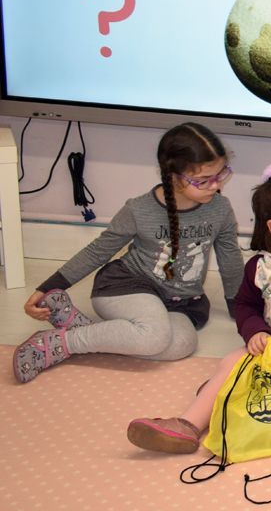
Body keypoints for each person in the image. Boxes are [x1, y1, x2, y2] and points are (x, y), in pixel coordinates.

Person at [126, 168, 271, 454]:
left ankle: (241, 407)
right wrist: (255, 332)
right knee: (231, 362)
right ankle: (188, 424)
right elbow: (246, 305)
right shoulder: (260, 267)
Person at [15, 122, 244, 383]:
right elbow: (98, 251)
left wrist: (240, 307)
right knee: (153, 337)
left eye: (220, 174)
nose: (215, 186)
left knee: (182, 345)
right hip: (127, 286)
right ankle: (62, 342)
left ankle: (89, 332)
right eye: (203, 180)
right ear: (172, 176)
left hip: (181, 301)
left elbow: (231, 260)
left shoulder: (220, 209)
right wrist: (48, 287)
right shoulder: (138, 209)